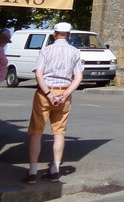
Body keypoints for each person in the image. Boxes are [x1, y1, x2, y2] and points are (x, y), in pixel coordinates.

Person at [24, 22, 83, 184]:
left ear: (54, 34)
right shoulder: (75, 52)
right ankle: (55, 169)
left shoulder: (46, 50)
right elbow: (78, 78)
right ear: (69, 36)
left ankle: (32, 171)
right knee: (59, 133)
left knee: (36, 132)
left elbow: (38, 75)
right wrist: (65, 94)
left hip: (45, 92)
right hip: (64, 92)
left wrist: (49, 94)